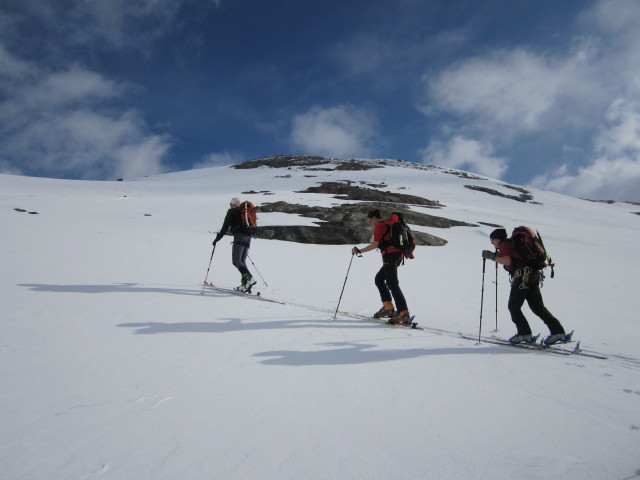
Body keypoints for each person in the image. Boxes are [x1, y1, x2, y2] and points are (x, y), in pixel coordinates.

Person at [482, 228, 568, 345]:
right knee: (538, 307)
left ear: (497, 239)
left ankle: (524, 333)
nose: (492, 243)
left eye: (492, 240)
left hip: (522, 277)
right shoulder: (511, 244)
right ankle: (558, 331)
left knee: (513, 306)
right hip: (533, 276)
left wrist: (492, 257)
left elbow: (507, 261)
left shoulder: (504, 244)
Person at [351, 209, 411, 324]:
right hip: (396, 256)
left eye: (371, 220)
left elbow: (375, 244)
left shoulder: (380, 227)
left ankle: (403, 313)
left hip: (390, 256)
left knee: (392, 284)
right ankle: (388, 307)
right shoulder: (387, 226)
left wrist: (359, 251)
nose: (371, 223)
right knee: (379, 279)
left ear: (375, 219)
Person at [212, 197, 257, 293]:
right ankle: (245, 284)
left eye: (230, 203)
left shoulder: (232, 212)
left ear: (232, 204)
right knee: (242, 261)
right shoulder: (243, 211)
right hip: (248, 237)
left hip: (239, 237)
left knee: (236, 261)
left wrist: (217, 239)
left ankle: (250, 279)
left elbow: (225, 227)